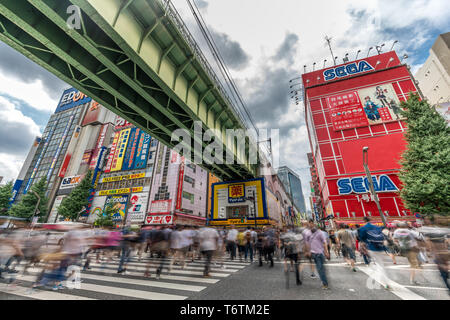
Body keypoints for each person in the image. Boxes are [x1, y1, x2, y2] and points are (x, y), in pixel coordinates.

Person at [358, 217, 391, 289]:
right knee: (381, 264)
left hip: (371, 248)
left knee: (378, 265)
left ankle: (385, 281)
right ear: (370, 220)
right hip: (380, 247)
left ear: (364, 221)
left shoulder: (362, 228)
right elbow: (384, 232)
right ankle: (384, 280)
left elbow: (362, 239)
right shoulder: (377, 227)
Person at [304, 222, 330, 289]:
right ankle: (324, 282)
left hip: (320, 253)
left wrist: (326, 252)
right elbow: (306, 243)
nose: (311, 226)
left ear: (315, 225)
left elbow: (324, 243)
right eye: (310, 225)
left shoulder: (320, 233)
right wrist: (308, 251)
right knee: (320, 269)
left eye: (312, 225)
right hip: (314, 254)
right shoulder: (308, 233)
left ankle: (325, 284)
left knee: (320, 269)